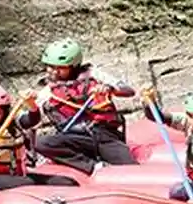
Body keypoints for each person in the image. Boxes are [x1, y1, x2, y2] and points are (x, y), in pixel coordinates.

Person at [33, 38, 138, 174]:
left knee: (132, 170)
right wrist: (30, 105)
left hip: (105, 136)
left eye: (60, 68)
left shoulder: (94, 75)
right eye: (50, 66)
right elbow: (29, 120)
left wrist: (109, 89)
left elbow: (128, 91)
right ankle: (93, 167)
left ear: (73, 66)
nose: (53, 71)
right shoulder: (47, 92)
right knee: (41, 142)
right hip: (75, 139)